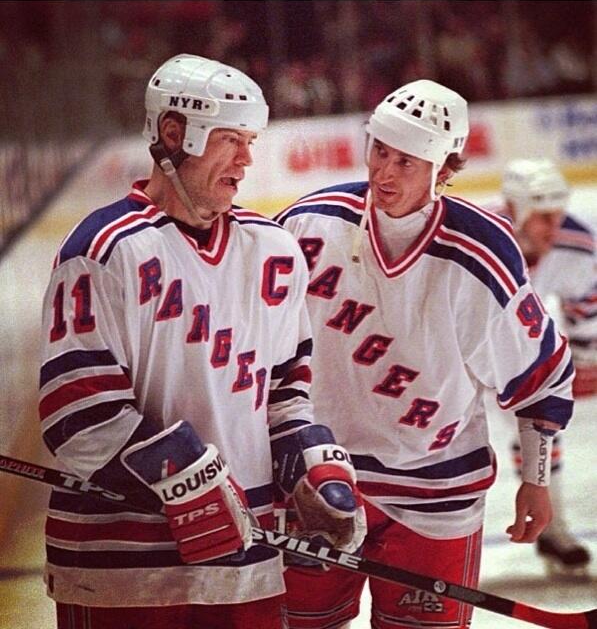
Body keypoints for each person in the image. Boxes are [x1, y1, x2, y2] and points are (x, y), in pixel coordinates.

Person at [38, 54, 365, 629]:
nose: (246, 159)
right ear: (173, 134)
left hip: (245, 565)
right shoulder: (104, 250)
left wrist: (311, 469)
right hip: (123, 571)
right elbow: (77, 415)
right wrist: (186, 477)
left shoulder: (274, 254)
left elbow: (286, 394)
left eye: (250, 141)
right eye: (231, 139)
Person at [274, 79, 575, 629]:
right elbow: (255, 348)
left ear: (443, 167)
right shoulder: (308, 224)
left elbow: (540, 376)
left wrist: (534, 478)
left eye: (406, 162)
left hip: (438, 493)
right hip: (319, 481)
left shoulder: (481, 252)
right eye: (378, 151)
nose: (383, 173)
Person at [499, 157, 593, 575]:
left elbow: (587, 306)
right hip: (465, 357)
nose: (553, 227)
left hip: (521, 355)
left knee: (541, 430)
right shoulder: (484, 239)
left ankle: (553, 529)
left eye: (557, 214)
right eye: (541, 217)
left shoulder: (576, 245)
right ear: (515, 209)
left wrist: (585, 355)